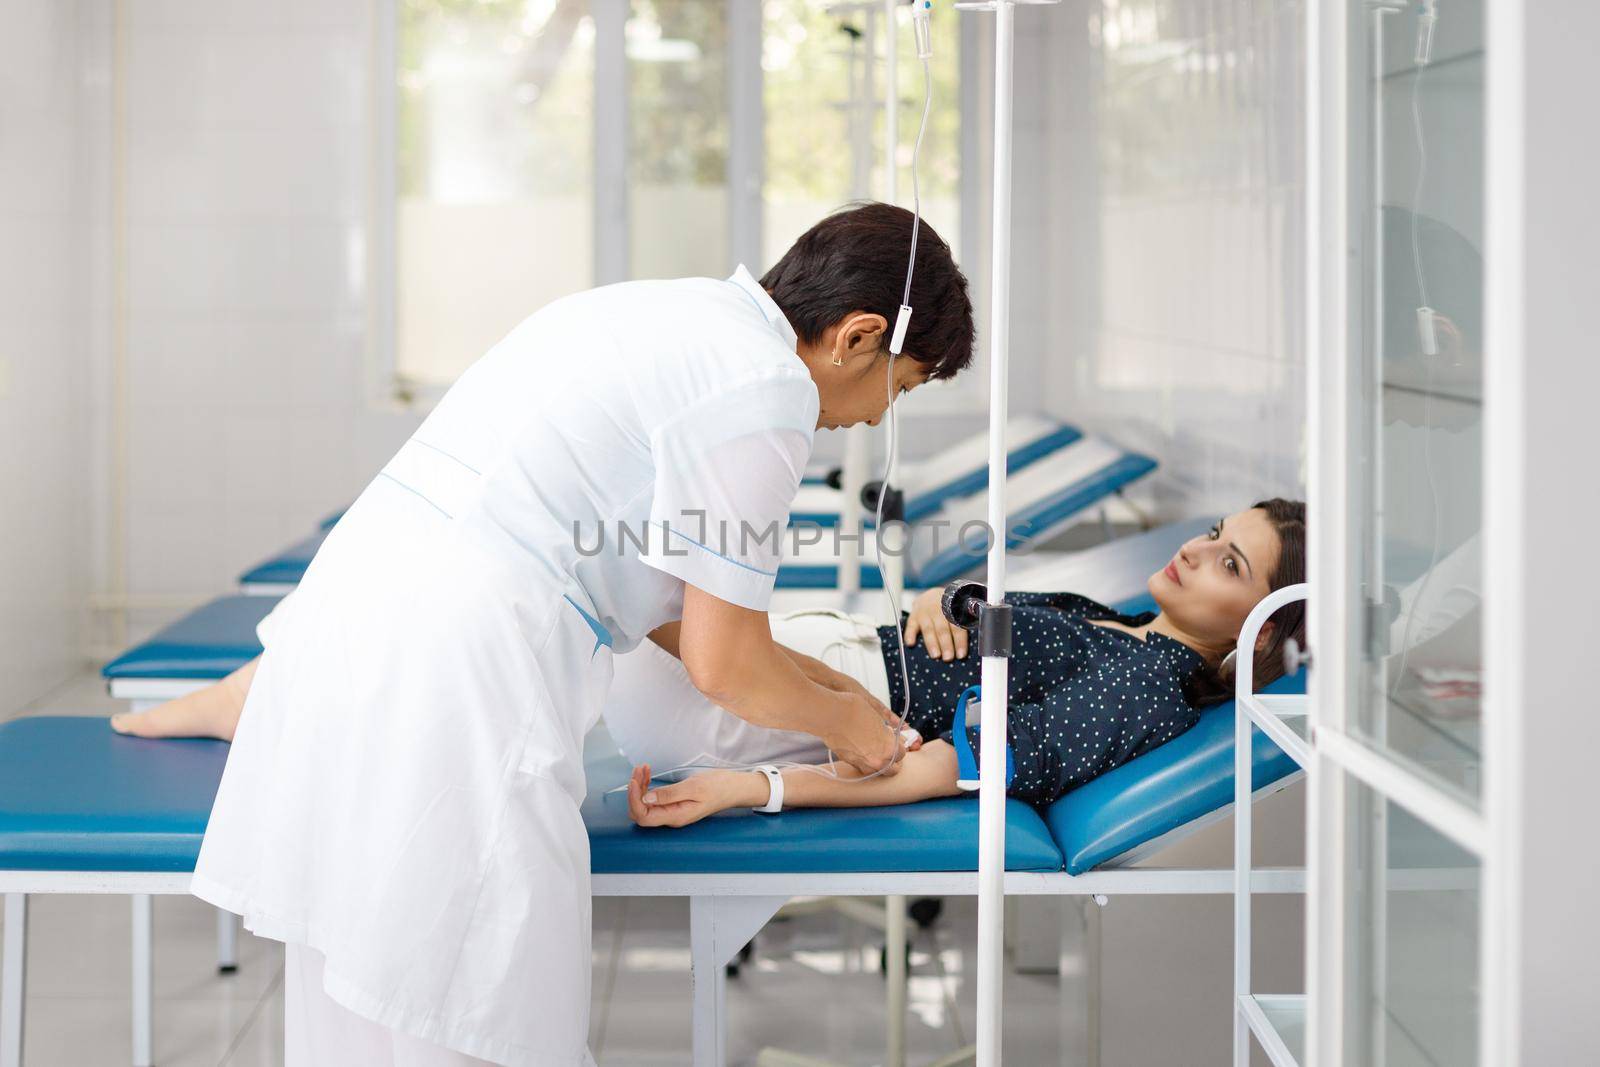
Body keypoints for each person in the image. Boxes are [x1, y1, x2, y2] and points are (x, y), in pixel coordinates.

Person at [128, 202, 975, 1067]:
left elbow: (685, 620)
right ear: (860, 336)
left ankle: (233, 698)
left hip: (348, 617)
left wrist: (835, 690)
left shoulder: (670, 315)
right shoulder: (766, 392)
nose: (877, 421)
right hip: (458, 669)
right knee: (465, 1009)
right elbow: (727, 665)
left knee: (362, 991)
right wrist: (853, 729)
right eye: (899, 390)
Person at [619, 500, 1306, 826]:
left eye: (1230, 564)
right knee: (615, 589)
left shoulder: (1149, 686)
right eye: (1214, 532)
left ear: (1265, 630)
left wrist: (748, 788)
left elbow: (950, 765)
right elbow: (983, 609)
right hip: (808, 664)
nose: (1194, 550)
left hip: (771, 708)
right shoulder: (1127, 623)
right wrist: (938, 598)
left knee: (610, 585)